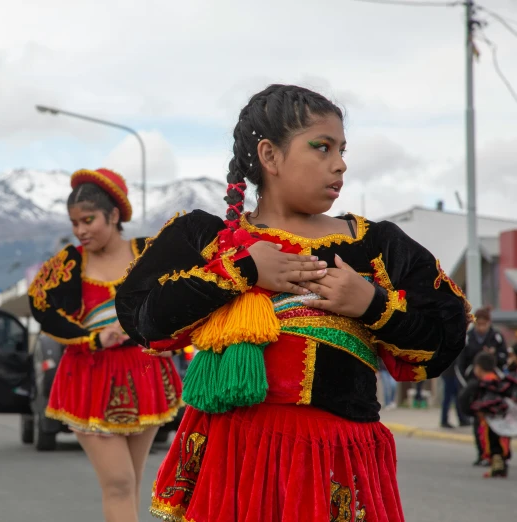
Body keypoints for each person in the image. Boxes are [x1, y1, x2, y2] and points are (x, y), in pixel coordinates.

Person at [115, 84, 470, 522]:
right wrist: (242, 271)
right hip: (236, 454)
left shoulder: (375, 246)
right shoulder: (208, 240)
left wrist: (371, 305)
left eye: (342, 149)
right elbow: (142, 318)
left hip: (335, 458)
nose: (339, 164)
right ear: (270, 155)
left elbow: (444, 338)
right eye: (321, 148)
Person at [28, 168, 183, 522]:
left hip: (145, 372)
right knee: (117, 482)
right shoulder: (69, 263)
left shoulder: (148, 252)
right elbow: (41, 306)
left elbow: (179, 299)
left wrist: (163, 335)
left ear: (113, 215)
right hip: (90, 375)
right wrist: (92, 336)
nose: (80, 231)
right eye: (74, 223)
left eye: (88, 220)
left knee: (132, 482)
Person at [459, 307, 508, 465]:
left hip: (493, 386)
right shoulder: (468, 338)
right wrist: (468, 382)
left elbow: (504, 358)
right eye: (478, 324)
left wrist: (494, 356)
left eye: (484, 324)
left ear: (489, 323)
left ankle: (497, 453)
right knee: (478, 421)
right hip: (475, 384)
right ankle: (482, 453)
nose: (481, 328)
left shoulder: (497, 337)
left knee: (494, 422)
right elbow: (460, 362)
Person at [459, 351, 515, 478]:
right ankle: (501, 465)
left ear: (477, 368)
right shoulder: (501, 382)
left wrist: (472, 411)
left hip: (486, 418)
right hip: (502, 418)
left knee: (491, 442)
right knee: (502, 440)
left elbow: (463, 398)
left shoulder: (479, 384)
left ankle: (497, 465)